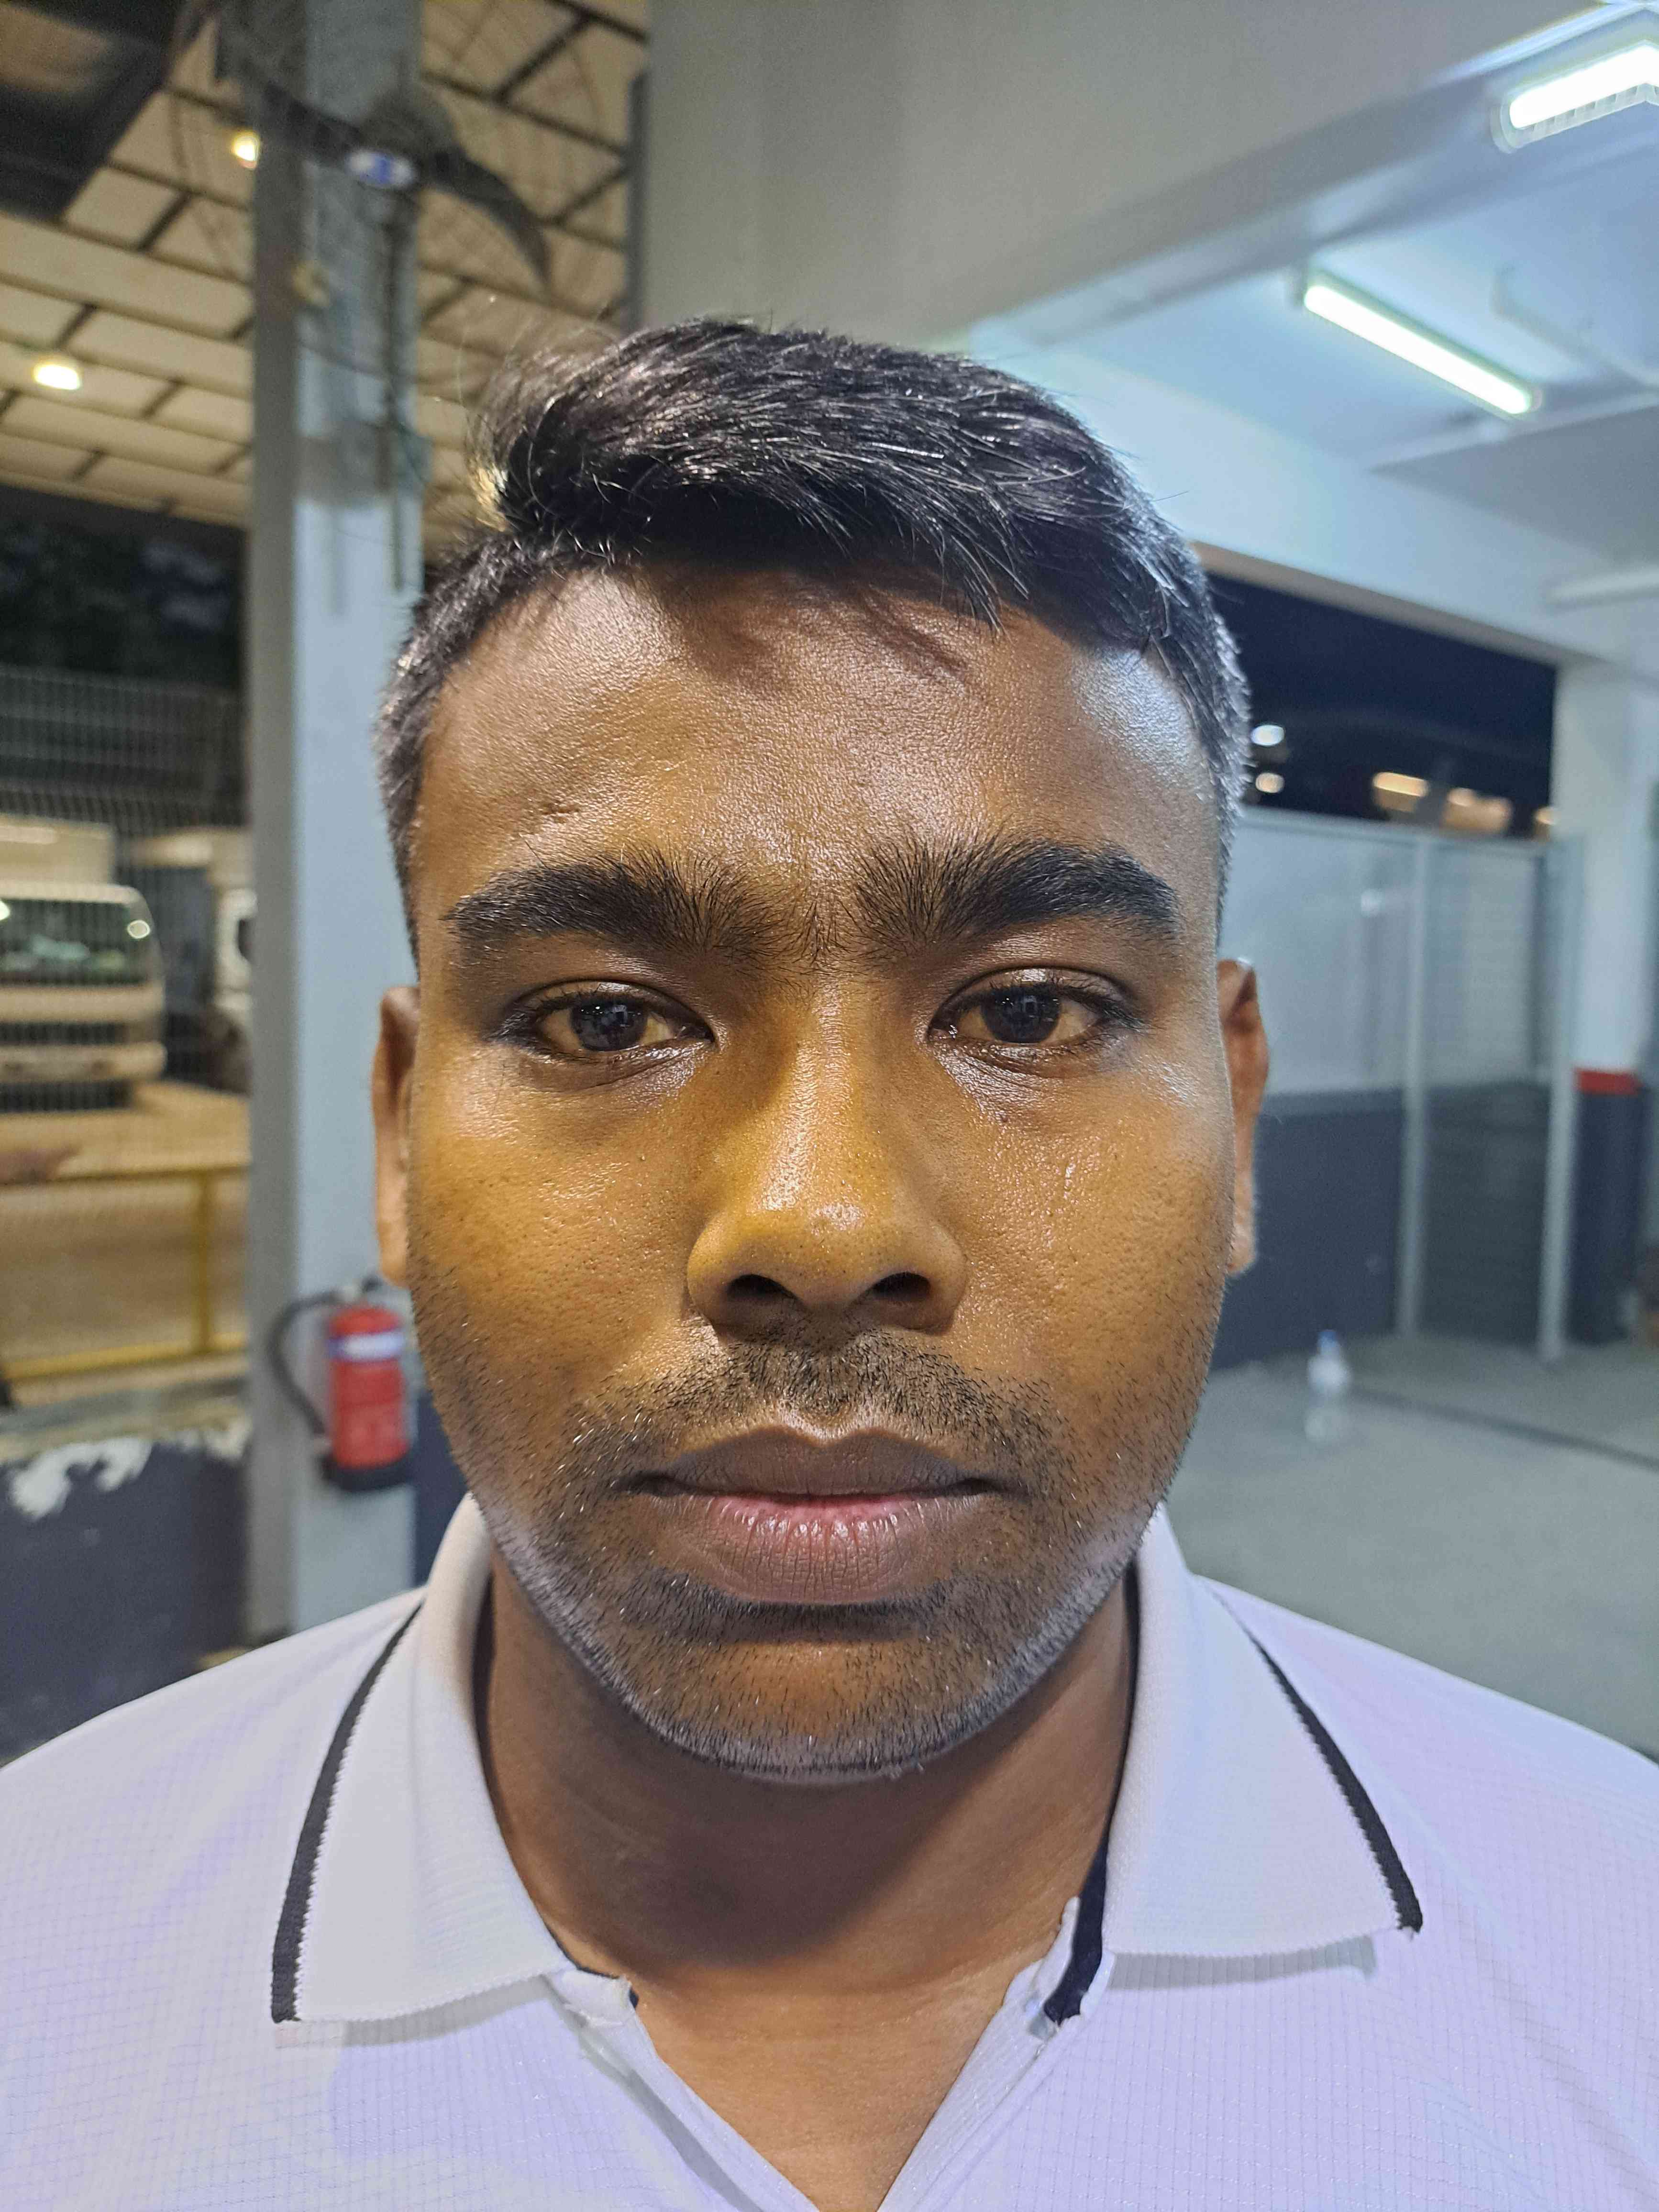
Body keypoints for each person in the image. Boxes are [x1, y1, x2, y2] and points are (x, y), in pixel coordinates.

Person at [2, 322, 1653, 2212]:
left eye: (1029, 1010)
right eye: (605, 1017)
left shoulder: (1611, 1948)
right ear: (396, 1132)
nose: (819, 1222)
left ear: (1239, 1112)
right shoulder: (45, 1969)